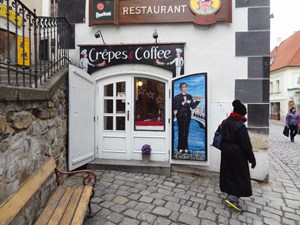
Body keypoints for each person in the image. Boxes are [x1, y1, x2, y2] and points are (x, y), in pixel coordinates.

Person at [219, 99, 256, 211]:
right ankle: (233, 198)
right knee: (240, 175)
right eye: (244, 114)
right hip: (237, 153)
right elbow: (246, 144)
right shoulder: (240, 125)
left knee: (229, 173)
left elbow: (219, 134)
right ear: (240, 113)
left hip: (226, 151)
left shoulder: (225, 122)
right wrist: (252, 158)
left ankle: (231, 194)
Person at [174, 82, 203, 153]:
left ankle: (185, 147)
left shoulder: (190, 96)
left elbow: (192, 106)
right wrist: (182, 103)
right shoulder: (177, 97)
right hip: (180, 117)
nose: (185, 88)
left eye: (186, 87)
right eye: (183, 87)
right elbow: (175, 107)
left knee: (186, 132)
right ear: (181, 88)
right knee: (181, 132)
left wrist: (198, 101)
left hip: (188, 117)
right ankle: (180, 148)